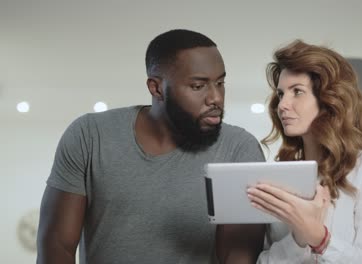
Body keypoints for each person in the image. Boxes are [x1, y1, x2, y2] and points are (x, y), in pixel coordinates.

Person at [36, 29, 265, 264]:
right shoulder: (90, 135)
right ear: (156, 88)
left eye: (220, 82)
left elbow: (239, 256)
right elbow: (56, 245)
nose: (216, 97)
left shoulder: (239, 149)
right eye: (198, 86)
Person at [247, 40, 362, 263]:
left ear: (328, 100)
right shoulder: (279, 177)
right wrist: (298, 239)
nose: (282, 105)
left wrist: (320, 238)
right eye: (281, 94)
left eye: (297, 91)